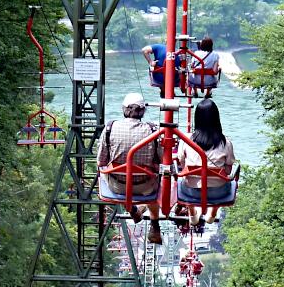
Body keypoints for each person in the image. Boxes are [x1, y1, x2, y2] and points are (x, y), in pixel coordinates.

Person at [97, 92, 163, 243]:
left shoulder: (110, 128)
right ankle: (155, 225)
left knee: (110, 173)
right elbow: (161, 160)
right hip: (146, 186)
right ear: (143, 111)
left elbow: (101, 161)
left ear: (123, 109)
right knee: (157, 183)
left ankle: (133, 209)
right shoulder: (153, 130)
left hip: (117, 186)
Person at [176, 98, 236, 230]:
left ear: (197, 118)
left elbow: (181, 162)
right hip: (218, 192)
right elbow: (228, 168)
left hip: (191, 192)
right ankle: (212, 212)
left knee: (181, 180)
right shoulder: (225, 142)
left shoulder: (186, 140)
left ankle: (192, 213)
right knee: (228, 179)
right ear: (216, 118)